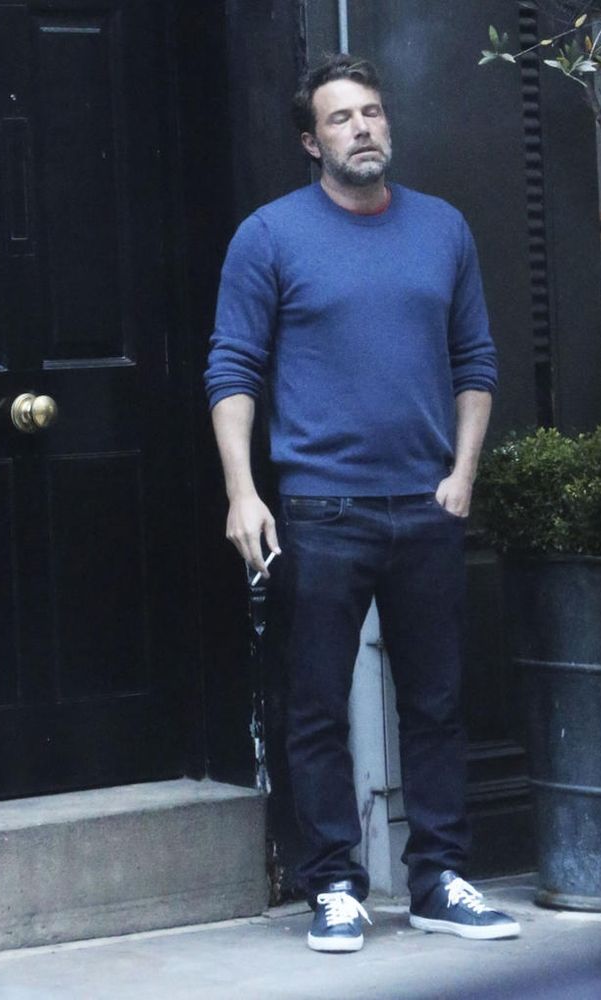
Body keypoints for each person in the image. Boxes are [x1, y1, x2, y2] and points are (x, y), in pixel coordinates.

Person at [204, 53, 520, 953]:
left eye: (373, 112)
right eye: (341, 118)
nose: (364, 128)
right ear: (311, 141)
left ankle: (439, 881)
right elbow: (232, 367)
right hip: (318, 509)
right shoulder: (268, 235)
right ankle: (334, 886)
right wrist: (242, 492)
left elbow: (476, 362)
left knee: (436, 702)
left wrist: (461, 475)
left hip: (427, 506)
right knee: (313, 710)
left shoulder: (443, 229)